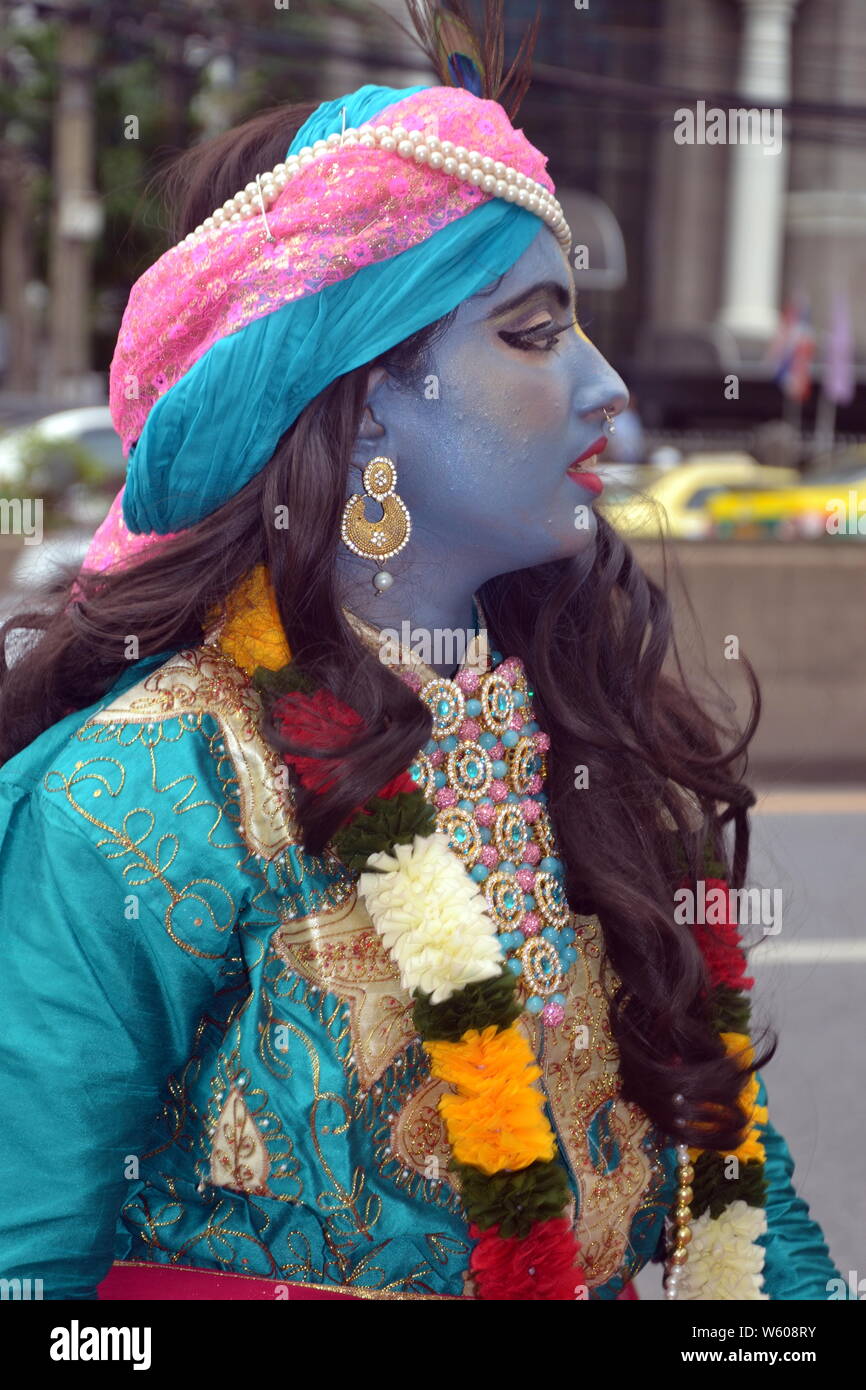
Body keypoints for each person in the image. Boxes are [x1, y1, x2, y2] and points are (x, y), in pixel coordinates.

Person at [0, 3, 847, 1302]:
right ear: (360, 388)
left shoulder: (589, 736)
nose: (605, 384)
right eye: (532, 329)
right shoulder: (144, 796)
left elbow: (748, 1198)